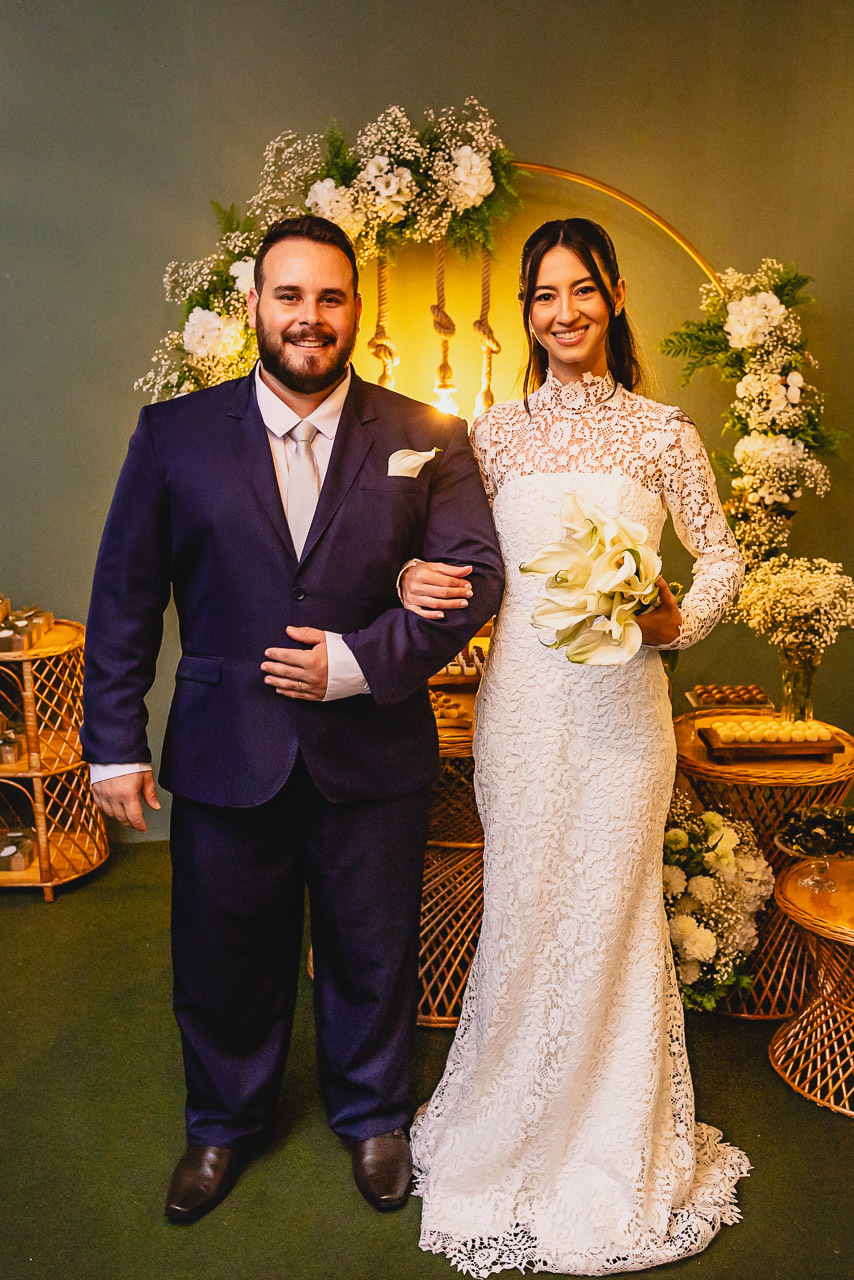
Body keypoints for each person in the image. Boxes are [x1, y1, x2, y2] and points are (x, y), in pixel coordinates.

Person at [80, 215, 504, 1224]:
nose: (309, 317)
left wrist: (359, 663)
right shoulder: (172, 435)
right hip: (229, 748)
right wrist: (112, 741)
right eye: (289, 295)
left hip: (375, 749)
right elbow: (126, 594)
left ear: (356, 309)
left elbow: (477, 575)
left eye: (329, 296)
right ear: (254, 307)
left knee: (372, 945)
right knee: (223, 947)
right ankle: (222, 1122)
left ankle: (372, 1113)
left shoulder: (424, 436)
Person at [403, 218, 749, 1275]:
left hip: (620, 718)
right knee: (525, 902)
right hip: (523, 711)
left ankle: (609, 1135)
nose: (564, 312)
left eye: (582, 290)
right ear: (526, 309)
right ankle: (508, 1124)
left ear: (613, 296)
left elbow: (721, 556)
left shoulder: (659, 429)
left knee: (609, 908)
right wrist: (418, 586)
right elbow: (462, 564)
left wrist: (670, 622)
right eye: (544, 294)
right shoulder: (492, 433)